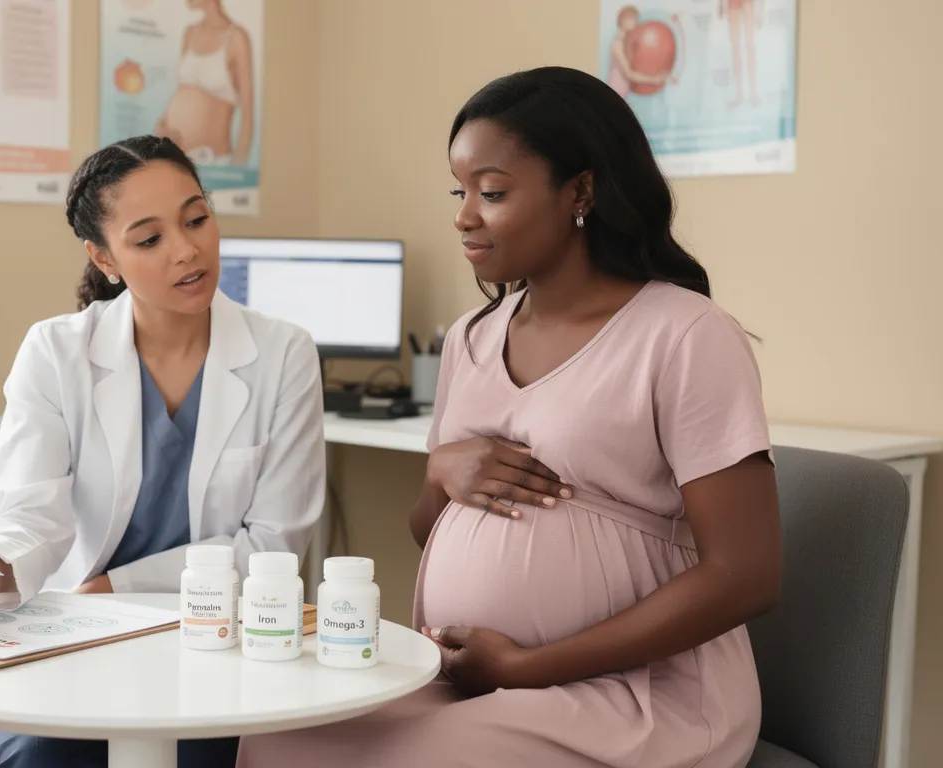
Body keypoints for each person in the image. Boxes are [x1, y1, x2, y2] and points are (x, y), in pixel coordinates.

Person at [238, 66, 781, 768]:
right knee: (278, 740)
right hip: (474, 678)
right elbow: (428, 528)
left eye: (491, 192)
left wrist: (530, 664)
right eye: (459, 191)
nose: (464, 214)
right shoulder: (471, 337)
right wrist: (441, 474)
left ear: (580, 191)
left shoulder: (683, 334)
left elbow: (749, 574)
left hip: (639, 695)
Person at [0, 135, 326, 767]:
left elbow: (272, 548)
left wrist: (114, 588)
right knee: (45, 756)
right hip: (73, 638)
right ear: (104, 257)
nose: (187, 250)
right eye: (149, 239)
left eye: (197, 218)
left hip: (213, 638)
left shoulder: (284, 354)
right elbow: (31, 516)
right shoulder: (55, 351)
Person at [155, 0, 256, 166]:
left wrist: (238, 170)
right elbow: (181, 92)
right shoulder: (190, 33)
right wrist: (162, 126)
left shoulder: (236, 37)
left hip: (214, 162)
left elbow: (247, 117)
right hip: (177, 161)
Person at [607, 5, 670, 98]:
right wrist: (654, 80)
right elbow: (629, 74)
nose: (636, 24)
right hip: (615, 93)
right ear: (624, 20)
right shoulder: (618, 44)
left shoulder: (626, 43)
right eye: (634, 20)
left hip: (621, 94)